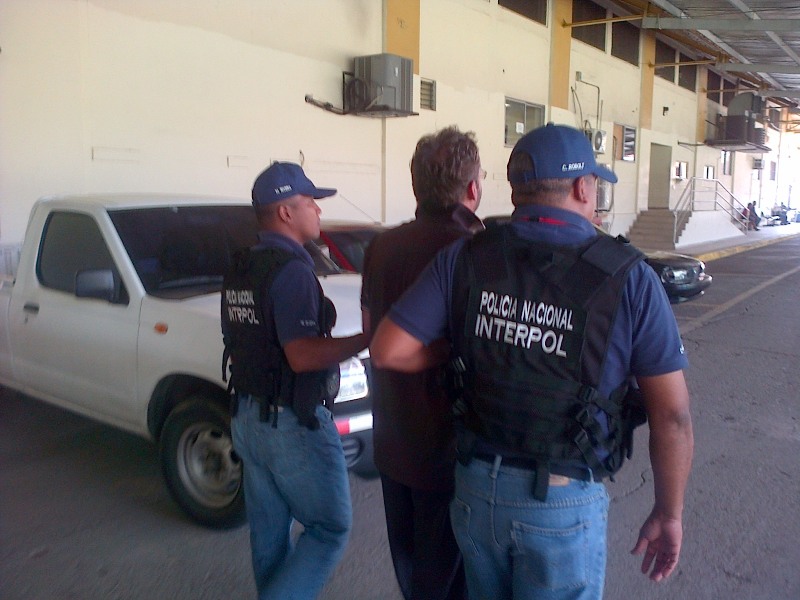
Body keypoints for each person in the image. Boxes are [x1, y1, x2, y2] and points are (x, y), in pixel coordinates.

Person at [370, 123, 694, 600]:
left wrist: (462, 346)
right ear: (582, 188)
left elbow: (387, 348)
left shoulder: (464, 257)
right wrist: (669, 513)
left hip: (476, 489)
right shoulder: (630, 277)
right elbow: (673, 416)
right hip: (561, 500)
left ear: (516, 190)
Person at [222, 162, 368, 599]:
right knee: (330, 528)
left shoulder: (244, 266)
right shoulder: (292, 272)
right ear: (286, 212)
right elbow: (301, 356)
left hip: (248, 415)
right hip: (290, 422)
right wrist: (365, 339)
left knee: (269, 531)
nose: (319, 211)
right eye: (311, 202)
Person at [361, 126, 484, 600]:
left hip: (392, 438)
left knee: (411, 569)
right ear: (472, 188)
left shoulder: (382, 246)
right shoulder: (473, 250)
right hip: (448, 451)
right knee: (449, 580)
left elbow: (372, 331)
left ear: (415, 185)